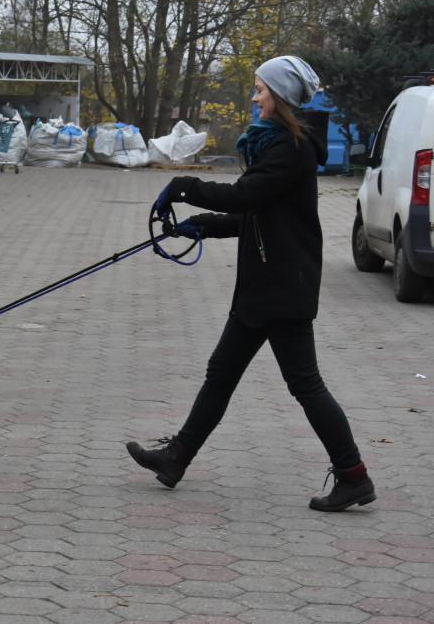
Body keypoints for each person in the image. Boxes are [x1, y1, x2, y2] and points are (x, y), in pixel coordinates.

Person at [126, 56, 376, 512]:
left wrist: (183, 185)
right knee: (221, 373)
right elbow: (255, 214)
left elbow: (245, 196)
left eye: (260, 89)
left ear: (278, 96)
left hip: (282, 286)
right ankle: (177, 456)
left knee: (305, 384)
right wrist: (201, 224)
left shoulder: (290, 148)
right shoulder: (277, 145)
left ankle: (353, 475)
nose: (254, 97)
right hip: (267, 285)